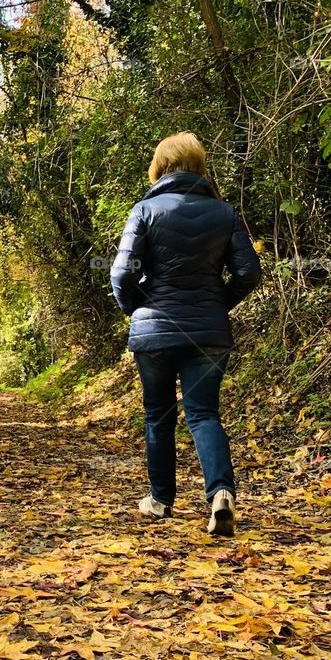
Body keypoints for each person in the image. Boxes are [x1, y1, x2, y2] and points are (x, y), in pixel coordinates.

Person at [110, 132, 261, 535]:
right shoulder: (224, 213)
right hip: (207, 334)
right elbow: (248, 273)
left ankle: (160, 501)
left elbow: (122, 273)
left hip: (155, 331)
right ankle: (221, 494)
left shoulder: (144, 210)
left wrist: (137, 308)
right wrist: (216, 306)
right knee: (203, 414)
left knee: (158, 415)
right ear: (199, 166)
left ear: (160, 167)